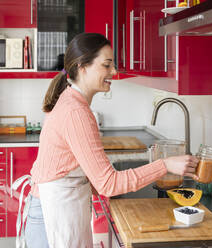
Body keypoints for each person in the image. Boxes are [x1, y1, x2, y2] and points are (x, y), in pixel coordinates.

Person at [16, 33, 199, 248]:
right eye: (106, 65)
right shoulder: (76, 112)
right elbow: (109, 184)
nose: (113, 72)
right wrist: (165, 164)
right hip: (51, 219)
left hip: (52, 210)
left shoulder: (71, 100)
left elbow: (74, 167)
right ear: (82, 67)